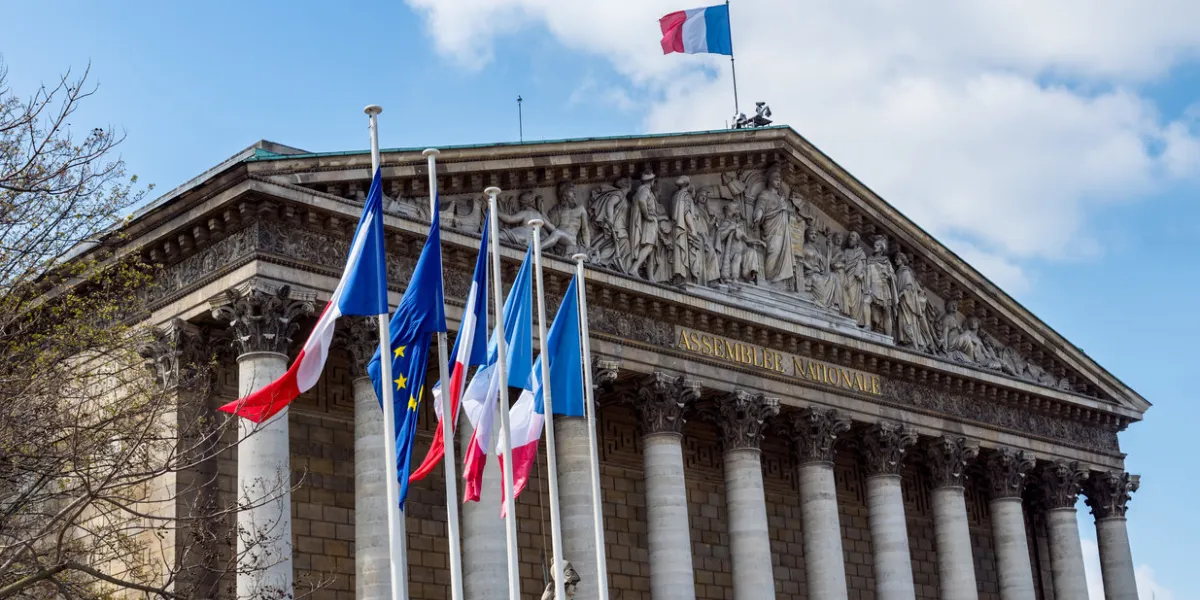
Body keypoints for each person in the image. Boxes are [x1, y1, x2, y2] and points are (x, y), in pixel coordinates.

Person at [752, 165, 797, 286]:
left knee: (782, 254)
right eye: (776, 179)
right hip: (771, 230)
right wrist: (758, 216)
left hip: (784, 232)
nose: (779, 182)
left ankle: (780, 283)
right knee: (773, 251)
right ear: (770, 180)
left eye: (780, 180)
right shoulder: (765, 194)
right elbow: (760, 208)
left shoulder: (782, 199)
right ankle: (770, 280)